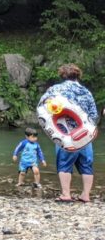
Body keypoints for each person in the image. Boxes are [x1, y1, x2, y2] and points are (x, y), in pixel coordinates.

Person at [39, 63, 98, 202]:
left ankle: (66, 194)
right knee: (86, 165)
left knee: (64, 163)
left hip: (65, 132)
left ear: (62, 75)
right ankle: (85, 195)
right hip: (85, 134)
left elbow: (42, 107)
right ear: (78, 75)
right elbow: (94, 115)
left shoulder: (55, 89)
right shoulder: (86, 92)